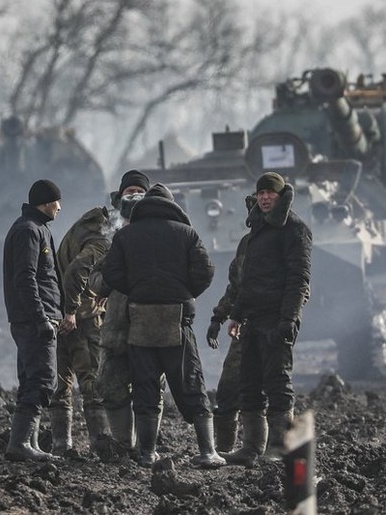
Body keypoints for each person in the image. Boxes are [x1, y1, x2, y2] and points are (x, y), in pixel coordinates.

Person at [102, 183, 224, 468]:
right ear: (172, 205)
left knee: (145, 388)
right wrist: (184, 291)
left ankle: (146, 453)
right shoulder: (187, 233)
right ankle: (207, 452)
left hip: (140, 319)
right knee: (191, 384)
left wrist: (136, 289)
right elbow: (205, 271)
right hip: (177, 318)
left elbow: (111, 274)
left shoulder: (125, 235)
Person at [48, 170, 150, 455]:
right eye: (130, 193)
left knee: (63, 381)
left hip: (62, 310)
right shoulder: (102, 238)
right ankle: (102, 443)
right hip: (81, 315)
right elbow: (76, 271)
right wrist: (72, 311)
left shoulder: (91, 223)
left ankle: (61, 445)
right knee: (93, 379)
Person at [222, 172, 312, 466]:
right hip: (252, 318)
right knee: (249, 382)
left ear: (280, 195)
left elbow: (299, 280)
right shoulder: (257, 230)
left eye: (269, 193)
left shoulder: (295, 229)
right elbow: (248, 280)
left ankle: (280, 447)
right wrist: (235, 315)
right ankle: (251, 447)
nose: (264, 198)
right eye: (260, 193)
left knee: (277, 383)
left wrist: (289, 318)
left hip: (277, 318)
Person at [2, 179, 64, 462]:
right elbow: (25, 279)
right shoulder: (28, 231)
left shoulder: (37, 229)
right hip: (34, 321)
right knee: (42, 381)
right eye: (56, 202)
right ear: (46, 202)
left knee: (31, 379)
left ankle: (30, 445)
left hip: (36, 318)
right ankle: (21, 444)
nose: (60, 208)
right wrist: (42, 319)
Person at [206, 195, 255, 453]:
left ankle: (272, 451)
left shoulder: (284, 240)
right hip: (245, 327)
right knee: (227, 392)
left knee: (271, 393)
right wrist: (218, 317)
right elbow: (236, 286)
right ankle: (225, 450)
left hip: (270, 326)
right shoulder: (246, 244)